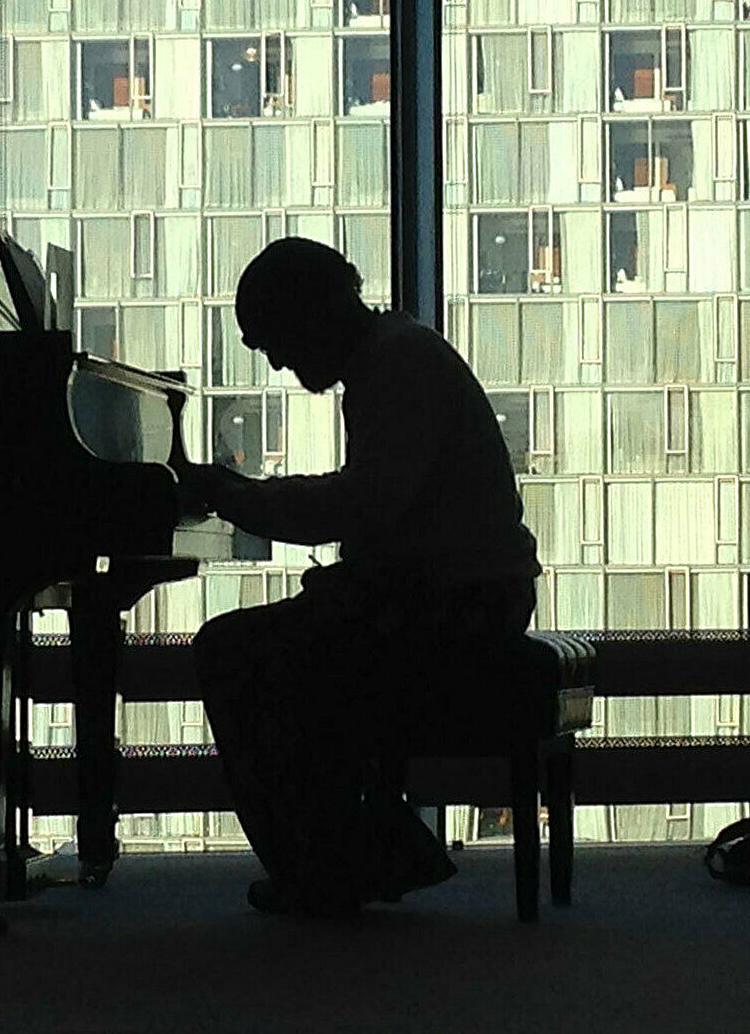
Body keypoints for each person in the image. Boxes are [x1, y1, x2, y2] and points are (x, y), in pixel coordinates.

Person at [177, 236, 541, 917]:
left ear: (311, 312)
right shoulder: (394, 355)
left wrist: (233, 493)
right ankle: (360, 849)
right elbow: (381, 523)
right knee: (286, 646)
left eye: (273, 340)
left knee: (232, 652)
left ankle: (329, 865)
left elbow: (362, 504)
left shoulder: (397, 366)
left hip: (462, 603)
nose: (280, 361)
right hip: (462, 592)